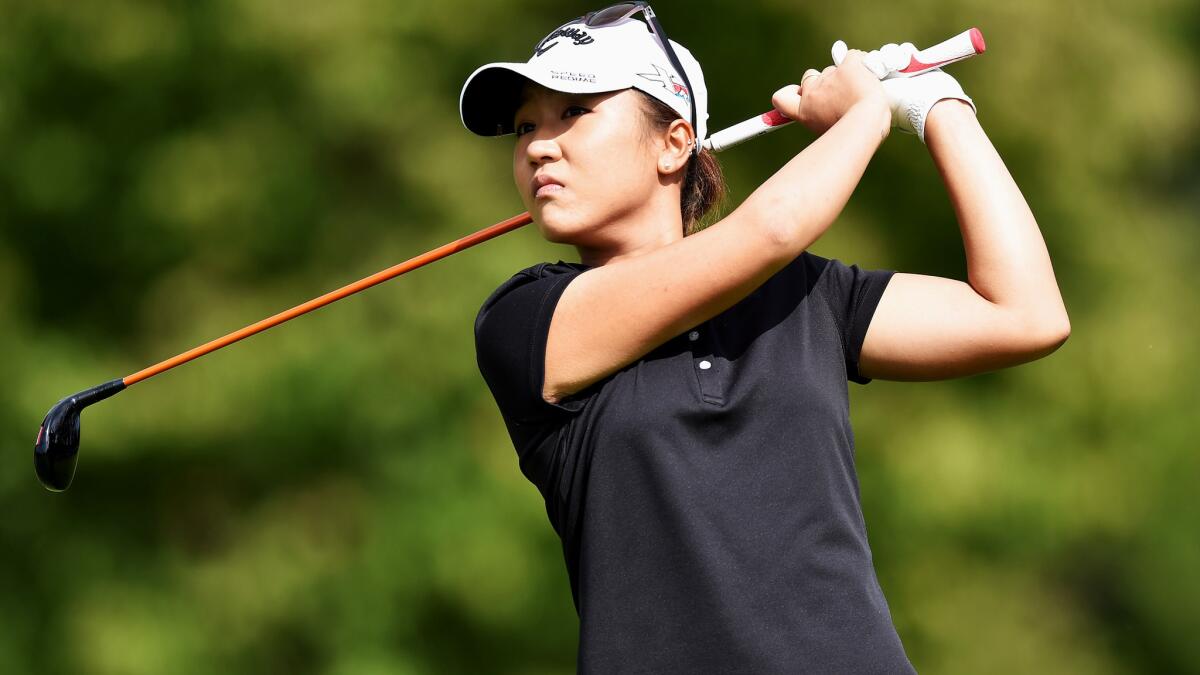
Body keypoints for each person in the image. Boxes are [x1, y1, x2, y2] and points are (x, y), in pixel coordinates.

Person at [461, 4, 1069, 673]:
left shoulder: (805, 295)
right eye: (525, 127)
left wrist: (934, 105)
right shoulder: (525, 319)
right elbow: (774, 228)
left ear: (674, 142)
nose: (538, 145)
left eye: (573, 113)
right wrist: (866, 113)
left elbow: (1025, 313)